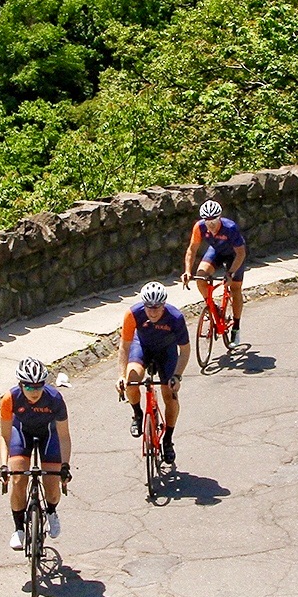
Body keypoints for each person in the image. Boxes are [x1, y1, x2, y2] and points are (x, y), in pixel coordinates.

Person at [0, 357, 71, 550]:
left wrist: (65, 466)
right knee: (17, 478)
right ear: (21, 385)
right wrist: (4, 466)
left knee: (52, 483)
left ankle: (52, 511)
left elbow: (64, 436)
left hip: (49, 435)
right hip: (21, 434)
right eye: (29, 387)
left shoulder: (54, 399)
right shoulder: (10, 398)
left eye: (39, 386)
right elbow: (5, 436)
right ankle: (19, 528)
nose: (34, 392)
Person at [116, 281, 191, 465]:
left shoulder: (175, 317)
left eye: (157, 308)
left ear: (164, 305)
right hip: (141, 347)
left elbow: (185, 351)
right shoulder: (133, 314)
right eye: (148, 307)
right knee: (132, 381)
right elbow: (124, 347)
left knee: (170, 395)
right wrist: (121, 375)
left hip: (167, 352)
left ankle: (167, 440)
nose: (153, 312)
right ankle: (138, 414)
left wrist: (177, 376)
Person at [181, 199, 248, 344]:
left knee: (235, 288)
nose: (210, 224)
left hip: (234, 256)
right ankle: (213, 308)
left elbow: (241, 254)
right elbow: (192, 250)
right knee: (200, 277)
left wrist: (230, 273)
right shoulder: (199, 227)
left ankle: (236, 327)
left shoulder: (230, 228)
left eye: (214, 220)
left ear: (220, 217)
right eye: (207, 221)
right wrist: (187, 271)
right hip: (216, 252)